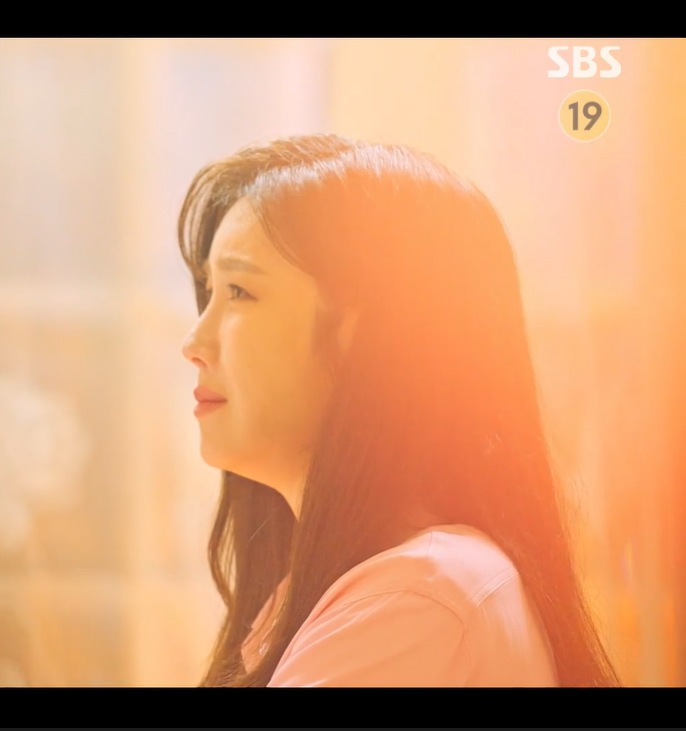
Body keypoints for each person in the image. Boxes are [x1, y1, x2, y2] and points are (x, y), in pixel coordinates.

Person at [176, 134, 619, 687]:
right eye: (210, 292)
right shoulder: (408, 586)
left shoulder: (413, 605)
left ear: (366, 336)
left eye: (240, 291)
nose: (194, 343)